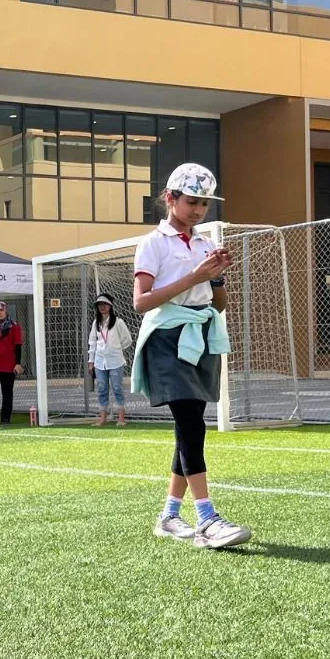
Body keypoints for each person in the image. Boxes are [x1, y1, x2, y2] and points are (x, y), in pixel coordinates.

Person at [131, 163, 250, 550]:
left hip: (199, 335)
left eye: (204, 204)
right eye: (192, 201)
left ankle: (169, 516)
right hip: (167, 337)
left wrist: (215, 276)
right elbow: (140, 302)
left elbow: (219, 304)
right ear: (171, 198)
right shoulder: (154, 243)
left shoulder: (201, 244)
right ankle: (207, 518)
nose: (199, 210)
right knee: (190, 423)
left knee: (190, 425)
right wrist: (195, 277)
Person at [88, 293, 134, 427]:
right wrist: (91, 361)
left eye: (104, 304)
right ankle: (103, 417)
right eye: (99, 305)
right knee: (102, 388)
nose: (102, 307)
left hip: (115, 361)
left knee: (117, 387)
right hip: (99, 361)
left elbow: (127, 340)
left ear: (110, 305)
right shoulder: (96, 323)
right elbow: (92, 342)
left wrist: (116, 349)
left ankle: (121, 417)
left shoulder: (118, 322)